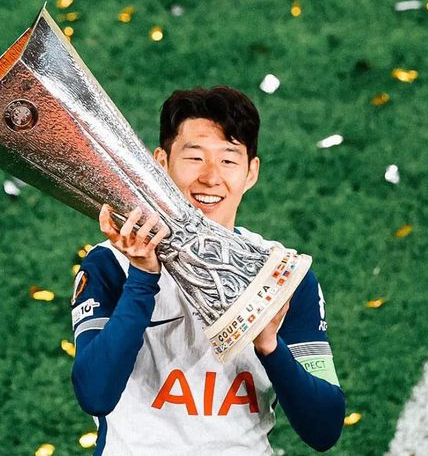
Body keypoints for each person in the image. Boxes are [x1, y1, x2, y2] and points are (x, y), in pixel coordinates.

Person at [70, 87, 345, 455]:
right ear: (161, 163)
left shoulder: (281, 276)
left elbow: (324, 428)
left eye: (228, 160)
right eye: (194, 157)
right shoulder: (111, 264)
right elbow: (95, 394)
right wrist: (143, 279)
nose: (211, 177)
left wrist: (269, 345)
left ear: (251, 172)